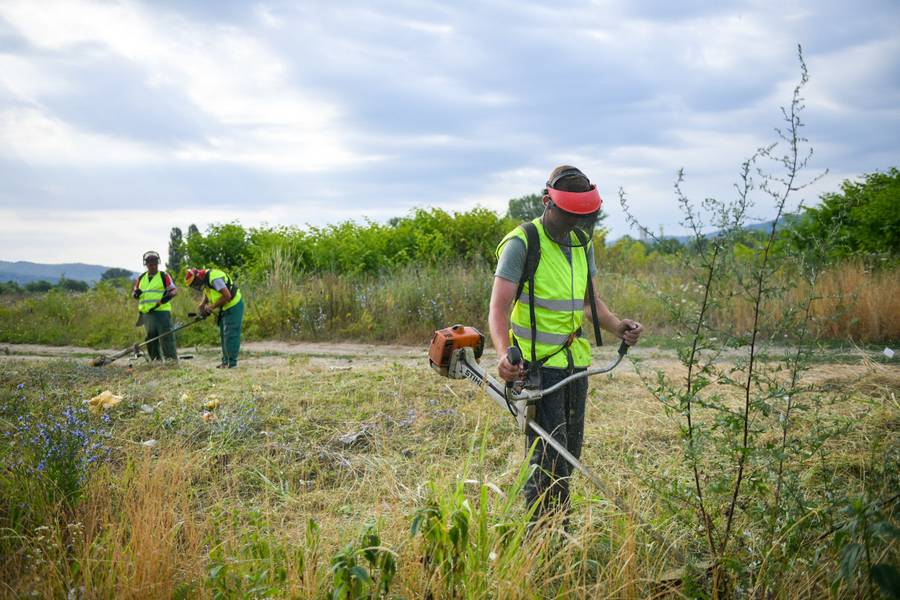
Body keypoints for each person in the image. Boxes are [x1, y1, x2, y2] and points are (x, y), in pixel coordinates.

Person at [489, 165, 643, 518]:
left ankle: (559, 527)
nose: (574, 221)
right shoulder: (523, 243)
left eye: (581, 215)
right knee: (546, 458)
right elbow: (498, 309)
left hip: (575, 366)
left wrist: (618, 326)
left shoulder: (581, 243)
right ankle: (541, 535)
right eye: (569, 213)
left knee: (569, 454)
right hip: (538, 369)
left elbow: (589, 302)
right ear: (548, 202)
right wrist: (502, 356)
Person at [184, 267, 244, 368]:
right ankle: (225, 362)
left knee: (231, 334)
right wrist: (203, 304)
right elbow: (209, 292)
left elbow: (227, 295)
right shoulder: (205, 279)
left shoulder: (214, 278)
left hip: (234, 305)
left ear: (198, 277)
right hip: (225, 307)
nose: (196, 286)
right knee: (224, 335)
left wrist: (211, 307)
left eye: (195, 283)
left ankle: (232, 363)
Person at [132, 250, 178, 362]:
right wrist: (135, 294)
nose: (153, 266)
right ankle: (155, 361)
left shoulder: (163, 276)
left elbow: (174, 290)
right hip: (147, 314)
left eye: (155, 264)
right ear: (146, 265)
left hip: (162, 312)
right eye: (150, 264)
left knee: (166, 337)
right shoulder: (141, 278)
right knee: (151, 339)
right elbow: (134, 292)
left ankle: (171, 361)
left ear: (158, 263)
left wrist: (168, 297)